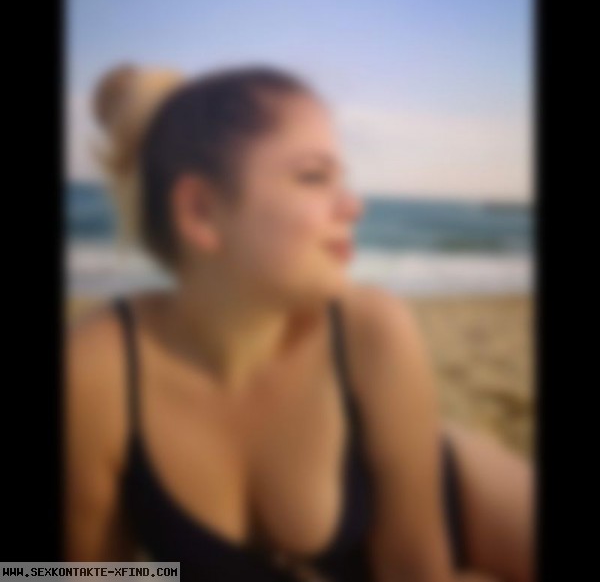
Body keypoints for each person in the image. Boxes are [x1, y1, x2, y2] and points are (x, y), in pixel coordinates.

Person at [65, 63, 534, 582]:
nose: (354, 206)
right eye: (313, 177)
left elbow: (414, 567)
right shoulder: (96, 372)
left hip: (446, 486)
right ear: (201, 210)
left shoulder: (370, 329)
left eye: (341, 179)